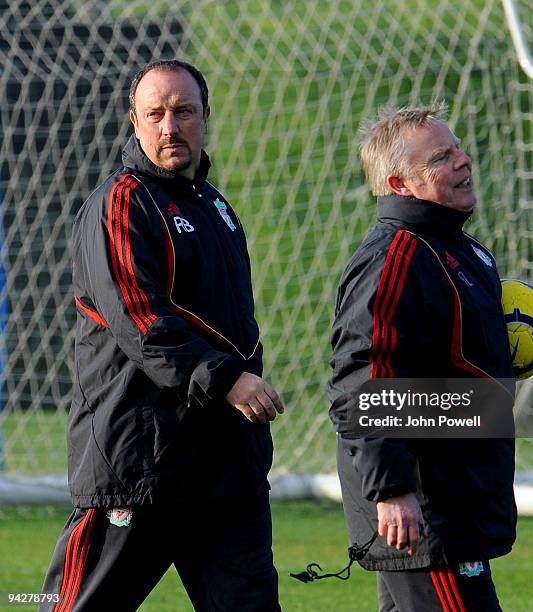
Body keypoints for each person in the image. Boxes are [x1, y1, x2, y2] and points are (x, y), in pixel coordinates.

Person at [40, 59, 284, 612]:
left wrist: (249, 417)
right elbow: (142, 322)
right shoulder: (120, 203)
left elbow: (240, 329)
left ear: (205, 116)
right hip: (140, 466)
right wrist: (229, 380)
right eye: (155, 114)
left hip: (223, 470)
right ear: (134, 121)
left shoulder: (219, 208)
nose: (169, 127)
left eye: (183, 112)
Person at [328, 104, 533, 611]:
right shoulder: (394, 258)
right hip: (426, 505)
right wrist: (392, 490)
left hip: (457, 499)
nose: (464, 161)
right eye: (442, 157)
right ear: (400, 183)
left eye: (458, 147)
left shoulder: (464, 251)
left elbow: (450, 360)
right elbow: (362, 382)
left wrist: (527, 357)